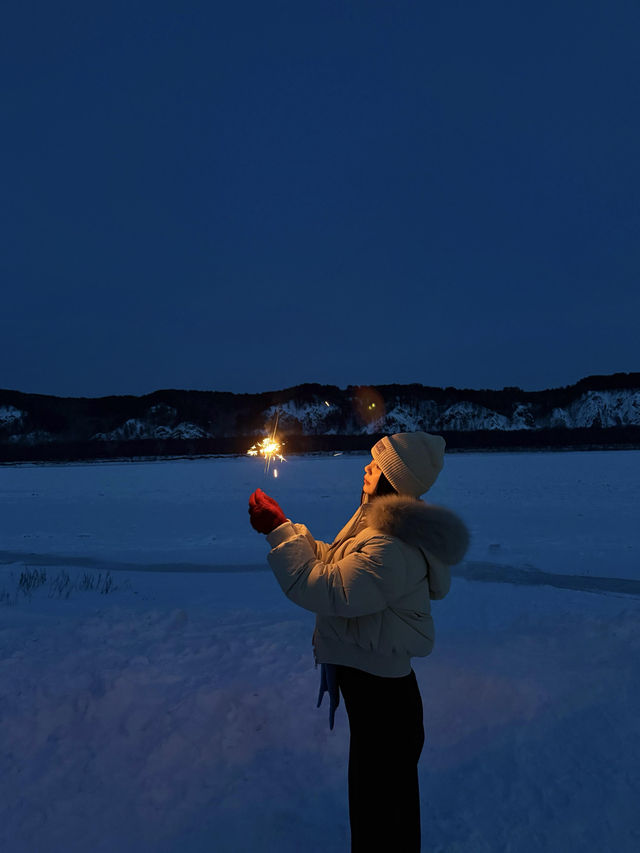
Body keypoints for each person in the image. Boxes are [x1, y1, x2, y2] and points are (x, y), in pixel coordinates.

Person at [248, 432, 470, 852]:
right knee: (381, 811)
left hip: (383, 698)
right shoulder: (378, 526)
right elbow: (336, 561)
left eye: (378, 465)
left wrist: (278, 532)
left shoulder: (392, 545)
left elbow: (328, 589)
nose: (367, 468)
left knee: (381, 817)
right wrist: (287, 529)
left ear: (395, 480)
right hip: (377, 691)